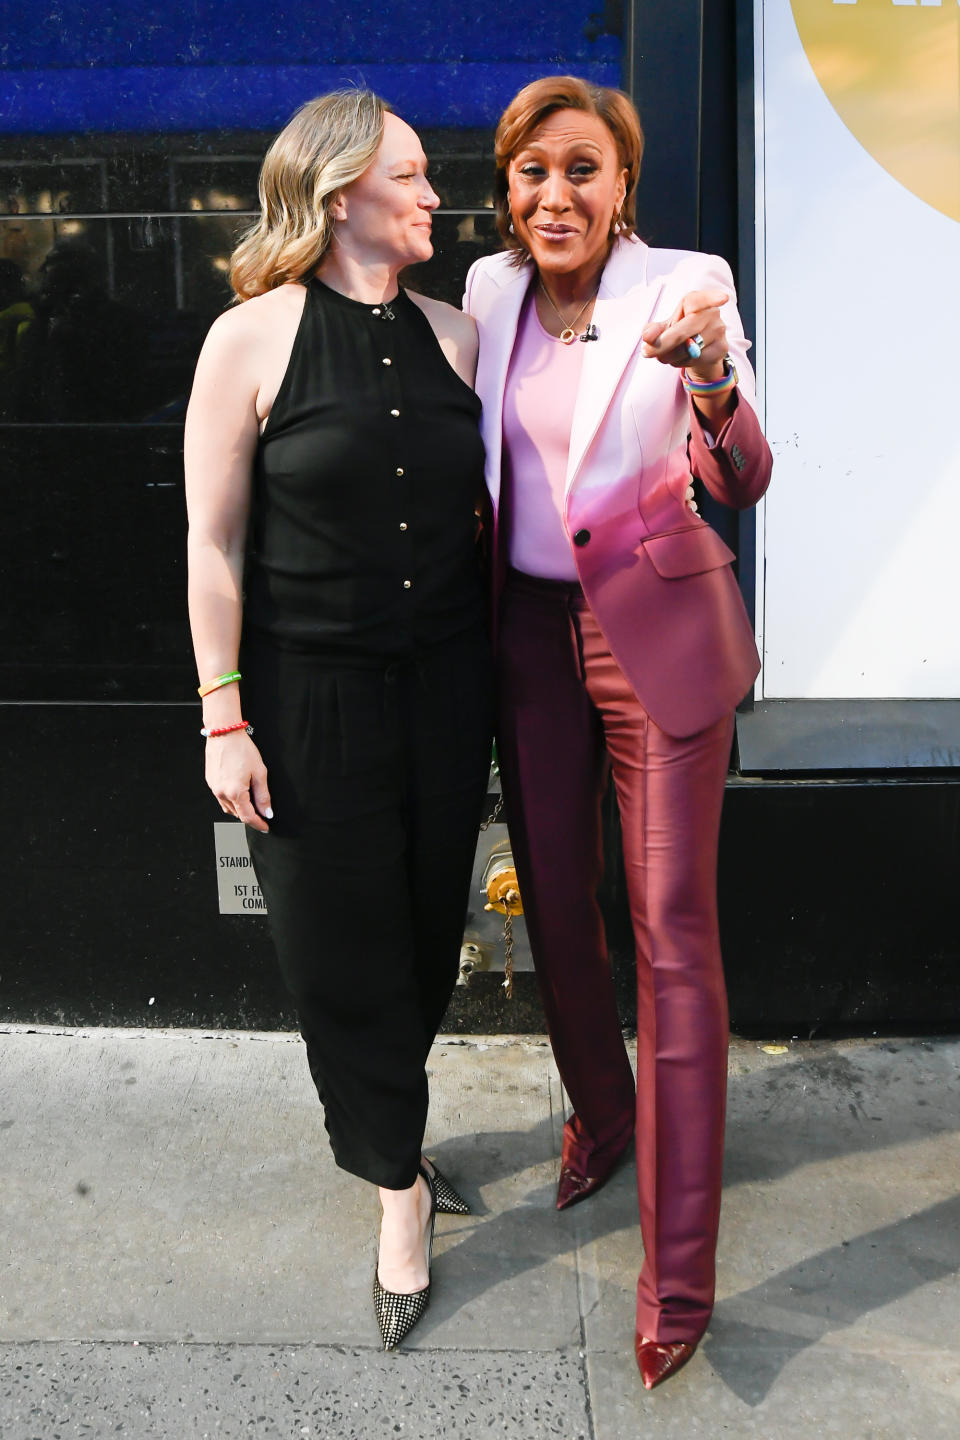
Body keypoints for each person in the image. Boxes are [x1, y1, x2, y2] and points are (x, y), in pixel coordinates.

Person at [463, 76, 773, 1389]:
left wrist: (707, 376)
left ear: (623, 185)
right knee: (557, 909)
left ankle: (680, 1281)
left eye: (581, 171)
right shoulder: (485, 294)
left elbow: (745, 474)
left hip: (653, 636)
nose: (555, 196)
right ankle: (604, 1111)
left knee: (672, 936)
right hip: (525, 639)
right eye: (533, 174)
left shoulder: (685, 287)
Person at [184, 90, 492, 1351]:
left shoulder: (460, 335)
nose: (435, 197)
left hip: (443, 689)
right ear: (340, 191)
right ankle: (398, 1192)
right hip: (305, 701)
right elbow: (212, 540)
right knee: (336, 949)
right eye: (412, 178)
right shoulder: (248, 339)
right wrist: (223, 716)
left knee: (425, 935)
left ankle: (391, 1130)